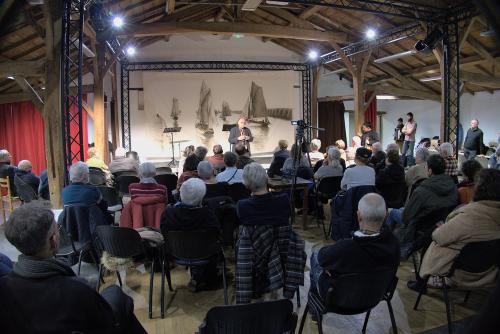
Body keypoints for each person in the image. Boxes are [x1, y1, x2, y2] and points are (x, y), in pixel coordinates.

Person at [0, 202, 147, 334]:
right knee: (118, 296)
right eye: (57, 228)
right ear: (53, 241)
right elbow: (106, 323)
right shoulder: (75, 289)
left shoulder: (4, 286)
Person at [410, 169, 500, 293]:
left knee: (433, 233)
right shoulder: (492, 212)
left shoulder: (472, 215)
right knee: (435, 228)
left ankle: (421, 280)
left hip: (459, 271)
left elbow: (439, 237)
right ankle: (412, 249)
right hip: (487, 270)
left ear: (480, 188)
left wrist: (443, 227)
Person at [309, 193, 400, 300]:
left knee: (315, 254)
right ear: (386, 215)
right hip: (374, 297)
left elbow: (322, 257)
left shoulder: (346, 247)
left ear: (358, 215)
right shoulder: (394, 244)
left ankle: (315, 305)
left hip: (340, 300)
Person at [161, 178, 220, 291]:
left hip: (176, 255)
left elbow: (164, 234)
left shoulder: (168, 213)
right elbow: (216, 235)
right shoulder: (208, 215)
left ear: (181, 194)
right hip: (206, 254)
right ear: (202, 197)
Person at [388, 155, 458, 244]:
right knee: (401, 209)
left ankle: (386, 241)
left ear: (430, 170)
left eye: (426, 166)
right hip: (439, 222)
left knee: (392, 212)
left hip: (419, 225)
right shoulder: (453, 186)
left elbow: (406, 217)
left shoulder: (422, 190)